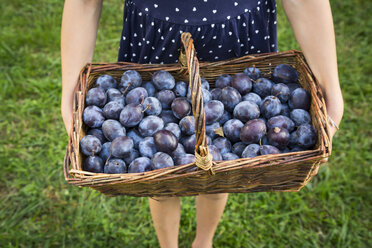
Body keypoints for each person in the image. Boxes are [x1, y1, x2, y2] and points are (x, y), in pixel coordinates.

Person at [61, 0, 344, 247]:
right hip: (158, 30)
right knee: (159, 173)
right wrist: (70, 93)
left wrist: (330, 83)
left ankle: (203, 241)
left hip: (235, 31)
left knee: (222, 162)